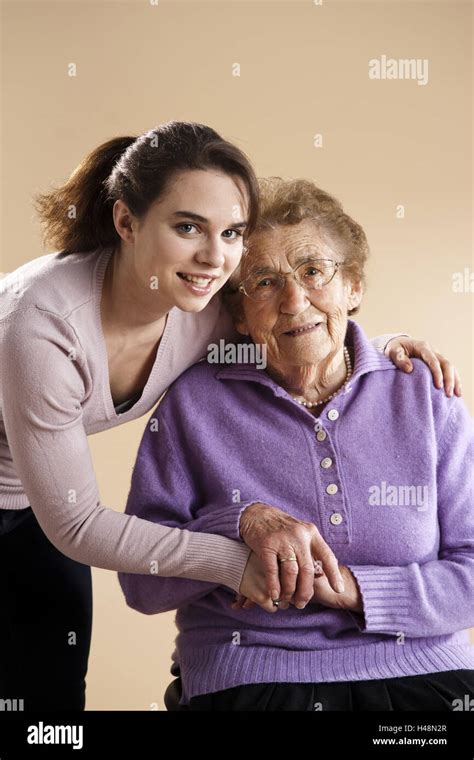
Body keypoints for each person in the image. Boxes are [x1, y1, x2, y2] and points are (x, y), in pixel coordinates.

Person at [0, 123, 459, 711]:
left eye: (232, 233)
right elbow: (82, 528)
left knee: (48, 706)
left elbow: (302, 319)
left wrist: (383, 353)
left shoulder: (204, 304)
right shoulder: (46, 322)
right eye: (187, 226)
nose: (215, 257)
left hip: (31, 502)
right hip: (60, 514)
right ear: (126, 222)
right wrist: (235, 553)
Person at [119, 177, 474, 711]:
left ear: (352, 287)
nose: (294, 301)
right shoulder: (192, 405)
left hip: (423, 672)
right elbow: (141, 585)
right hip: (254, 673)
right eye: (263, 282)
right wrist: (235, 526)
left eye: (313, 272)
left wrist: (358, 591)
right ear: (237, 313)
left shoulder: (425, 395)